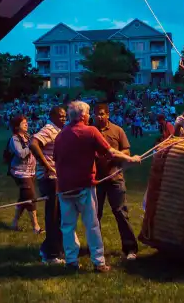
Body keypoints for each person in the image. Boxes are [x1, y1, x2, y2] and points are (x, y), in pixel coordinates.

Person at [54, 100, 142, 273]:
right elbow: (110, 151)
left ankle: (71, 261)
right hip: (85, 187)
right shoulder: (91, 131)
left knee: (68, 226)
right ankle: (98, 262)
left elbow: (57, 158)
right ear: (83, 115)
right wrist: (132, 159)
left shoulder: (61, 135)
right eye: (88, 113)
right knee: (92, 224)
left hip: (64, 188)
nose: (90, 116)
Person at [92, 104, 139, 260]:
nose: (99, 117)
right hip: (96, 180)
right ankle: (96, 248)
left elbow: (127, 151)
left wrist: (114, 156)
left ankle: (130, 248)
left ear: (108, 114)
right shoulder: (91, 131)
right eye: (96, 114)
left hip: (115, 178)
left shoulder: (117, 130)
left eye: (102, 114)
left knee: (120, 213)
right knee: (94, 216)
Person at [30, 106, 67, 265]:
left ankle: (49, 248)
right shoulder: (49, 129)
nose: (64, 119)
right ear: (52, 116)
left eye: (65, 116)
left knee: (58, 214)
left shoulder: (58, 130)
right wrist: (46, 165)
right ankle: (50, 255)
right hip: (49, 178)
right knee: (53, 215)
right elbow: (33, 143)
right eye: (60, 116)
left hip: (55, 177)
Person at [7, 115, 41, 233]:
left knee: (24, 198)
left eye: (26, 122)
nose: (26, 124)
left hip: (30, 171)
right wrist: (31, 145)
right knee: (31, 198)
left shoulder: (27, 136)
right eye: (23, 123)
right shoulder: (15, 139)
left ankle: (14, 223)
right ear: (17, 126)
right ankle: (36, 227)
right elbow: (21, 154)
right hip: (20, 172)